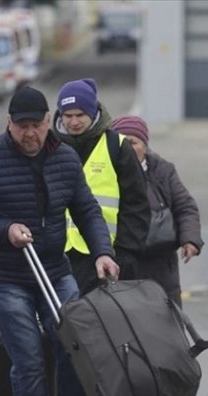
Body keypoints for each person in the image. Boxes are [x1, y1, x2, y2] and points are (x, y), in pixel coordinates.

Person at [0, 86, 122, 396]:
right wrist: (4, 228)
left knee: (74, 348)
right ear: (9, 123)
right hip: (6, 274)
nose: (30, 133)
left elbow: (86, 209)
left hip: (56, 271)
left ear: (47, 121)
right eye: (22, 125)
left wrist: (103, 252)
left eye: (37, 125)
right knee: (28, 360)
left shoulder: (65, 156)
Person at [53, 79, 150, 294]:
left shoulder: (116, 146)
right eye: (68, 116)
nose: (74, 122)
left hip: (108, 255)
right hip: (61, 254)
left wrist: (126, 252)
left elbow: (136, 203)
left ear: (93, 112)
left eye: (80, 115)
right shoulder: (51, 146)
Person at [110, 115, 203, 306]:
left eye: (133, 142)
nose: (127, 148)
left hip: (161, 266)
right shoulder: (104, 174)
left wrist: (190, 239)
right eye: (121, 142)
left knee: (166, 324)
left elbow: (185, 207)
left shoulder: (163, 170)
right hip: (122, 263)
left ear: (145, 145)